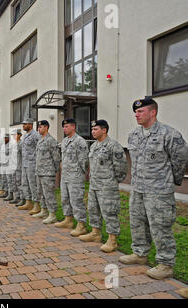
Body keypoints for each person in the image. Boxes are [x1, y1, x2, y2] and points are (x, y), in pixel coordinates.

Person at [119, 97, 188, 280]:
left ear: (153, 112)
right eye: (135, 112)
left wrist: (171, 181)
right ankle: (140, 254)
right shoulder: (134, 134)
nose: (136, 114)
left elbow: (180, 161)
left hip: (159, 191)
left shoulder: (170, 134)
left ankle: (166, 263)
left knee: (160, 226)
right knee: (137, 222)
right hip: (138, 188)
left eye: (140, 111)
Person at [79, 120, 127, 252]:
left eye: (96, 129)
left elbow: (121, 168)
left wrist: (113, 181)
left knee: (110, 212)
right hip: (94, 184)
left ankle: (112, 240)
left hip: (107, 186)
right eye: (92, 129)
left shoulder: (113, 146)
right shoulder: (94, 146)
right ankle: (96, 233)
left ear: (104, 130)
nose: (92, 132)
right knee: (93, 209)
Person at [55, 118, 89, 237]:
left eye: (67, 126)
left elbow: (84, 161)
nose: (64, 129)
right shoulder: (64, 141)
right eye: (63, 127)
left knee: (76, 200)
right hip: (65, 175)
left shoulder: (80, 141)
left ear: (73, 127)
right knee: (65, 198)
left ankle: (81, 225)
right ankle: (68, 220)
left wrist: (80, 174)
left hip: (75, 176)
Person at [33, 120, 61, 224]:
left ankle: (52, 214)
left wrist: (54, 170)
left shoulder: (51, 140)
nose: (38, 129)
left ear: (46, 127)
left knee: (49, 194)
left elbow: (56, 157)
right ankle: (44, 211)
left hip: (48, 172)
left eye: (40, 127)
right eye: (38, 127)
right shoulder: (40, 140)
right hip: (39, 171)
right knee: (40, 193)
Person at [18, 118, 41, 215]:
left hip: (32, 163)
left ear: (30, 125)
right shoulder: (25, 135)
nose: (23, 126)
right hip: (25, 163)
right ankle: (28, 202)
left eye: (25, 124)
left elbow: (39, 148)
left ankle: (36, 204)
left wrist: (35, 159)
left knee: (32, 184)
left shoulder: (35, 135)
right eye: (23, 124)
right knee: (25, 183)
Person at [9, 129, 24, 205]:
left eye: (15, 135)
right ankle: (16, 197)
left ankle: (22, 198)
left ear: (19, 135)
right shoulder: (14, 144)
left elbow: (23, 156)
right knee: (14, 182)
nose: (14, 136)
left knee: (20, 183)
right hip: (14, 166)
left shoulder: (21, 144)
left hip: (20, 167)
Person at [0, 133, 12, 200]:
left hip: (8, 165)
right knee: (4, 179)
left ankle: (10, 194)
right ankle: (5, 191)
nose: (4, 139)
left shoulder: (11, 146)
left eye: (6, 138)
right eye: (4, 138)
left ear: (9, 138)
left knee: (9, 180)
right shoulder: (3, 145)